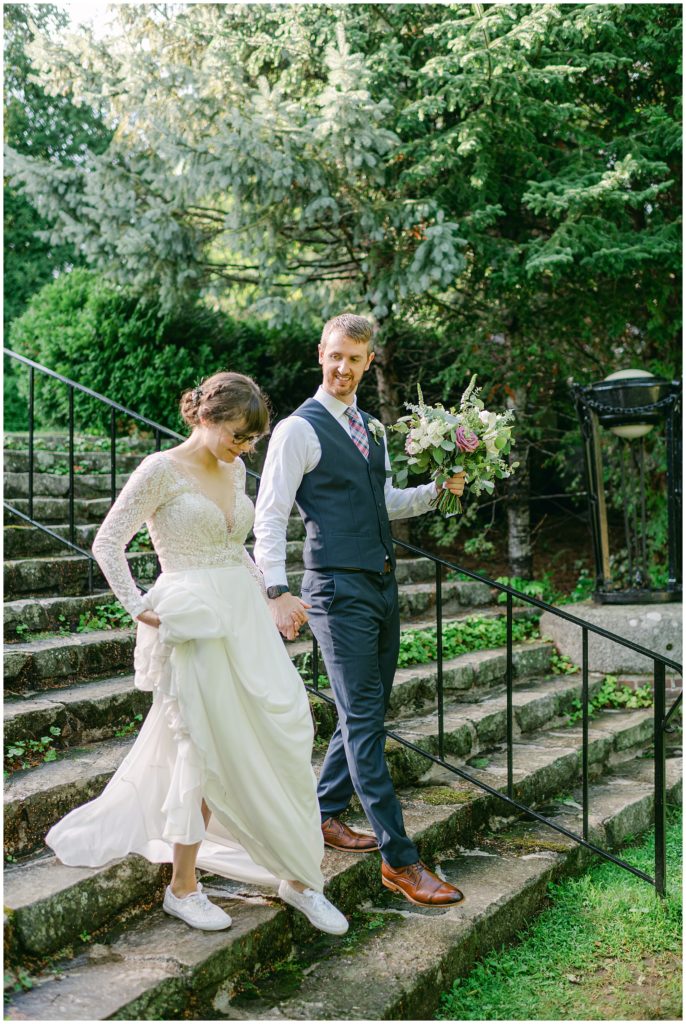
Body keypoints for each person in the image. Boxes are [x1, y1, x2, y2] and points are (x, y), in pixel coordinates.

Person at [46, 371, 348, 936]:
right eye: (239, 436)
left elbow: (236, 549)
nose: (245, 448)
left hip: (242, 614)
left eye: (252, 440)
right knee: (204, 746)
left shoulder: (234, 469)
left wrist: (271, 597)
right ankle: (183, 888)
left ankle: (298, 875)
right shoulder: (159, 470)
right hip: (192, 620)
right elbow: (108, 542)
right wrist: (138, 605)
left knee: (285, 728)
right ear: (207, 418)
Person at [253, 314, 467, 909]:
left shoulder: (372, 427)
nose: (343, 368)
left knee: (362, 713)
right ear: (320, 354)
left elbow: (384, 500)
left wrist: (437, 492)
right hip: (334, 591)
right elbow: (269, 513)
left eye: (354, 358)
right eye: (335, 356)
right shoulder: (298, 429)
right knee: (366, 720)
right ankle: (400, 861)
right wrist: (276, 590)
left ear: (369, 362)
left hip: (380, 585)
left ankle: (324, 812)